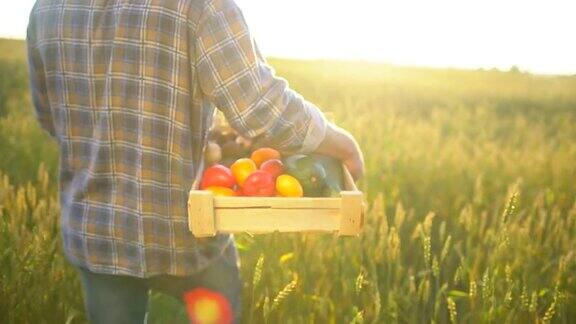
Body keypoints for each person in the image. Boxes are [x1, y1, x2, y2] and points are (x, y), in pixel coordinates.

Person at [26, 0, 364, 323]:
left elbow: (51, 119)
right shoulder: (200, 4)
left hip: (95, 234)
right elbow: (259, 105)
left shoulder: (47, 8)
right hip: (183, 234)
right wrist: (342, 144)